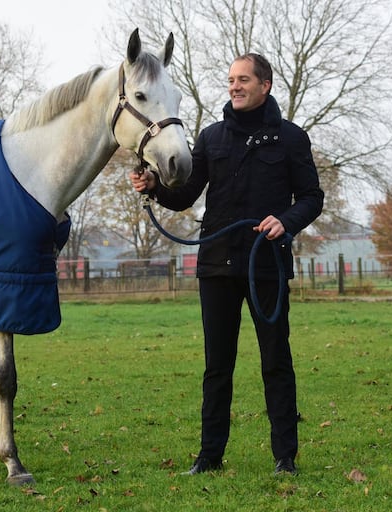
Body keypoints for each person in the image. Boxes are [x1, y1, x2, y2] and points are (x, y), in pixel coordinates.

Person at [130, 53, 324, 476]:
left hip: (266, 264)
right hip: (216, 265)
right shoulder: (212, 137)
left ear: (265, 85)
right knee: (217, 365)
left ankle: (285, 458)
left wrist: (285, 221)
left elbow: (311, 197)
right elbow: (185, 195)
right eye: (231, 79)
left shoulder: (291, 139)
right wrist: (155, 188)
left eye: (243, 80)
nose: (234, 86)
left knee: (276, 360)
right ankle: (210, 457)